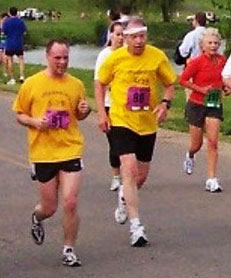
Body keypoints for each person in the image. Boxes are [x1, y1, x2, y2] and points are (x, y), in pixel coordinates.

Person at [95, 16, 176, 247]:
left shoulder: (157, 56)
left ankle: (124, 196)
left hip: (147, 122)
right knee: (128, 169)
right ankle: (136, 226)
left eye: (142, 36)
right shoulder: (115, 58)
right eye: (134, 37)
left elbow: (170, 84)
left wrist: (164, 104)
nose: (139, 41)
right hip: (121, 120)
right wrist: (102, 113)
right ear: (126, 39)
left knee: (139, 177)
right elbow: (100, 84)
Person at [12, 39, 91, 267]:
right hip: (43, 152)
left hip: (70, 148)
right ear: (48, 57)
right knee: (49, 207)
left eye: (66, 57)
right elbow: (19, 114)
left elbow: (78, 114)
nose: (62, 62)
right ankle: (37, 218)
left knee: (70, 202)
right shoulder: (32, 83)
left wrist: (84, 111)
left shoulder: (76, 84)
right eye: (58, 58)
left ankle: (68, 249)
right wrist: (36, 122)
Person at [179, 28, 226, 192]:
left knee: (213, 141)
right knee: (196, 144)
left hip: (214, 104)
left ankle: (211, 179)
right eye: (210, 43)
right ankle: (190, 155)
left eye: (216, 43)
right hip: (196, 104)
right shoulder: (197, 62)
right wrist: (199, 89)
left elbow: (225, 78)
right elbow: (182, 80)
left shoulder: (223, 61)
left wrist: (227, 88)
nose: (213, 46)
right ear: (203, 45)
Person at [94, 21, 124, 191]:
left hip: (126, 106)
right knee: (115, 142)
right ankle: (116, 176)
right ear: (111, 35)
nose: (120, 38)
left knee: (127, 141)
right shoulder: (105, 55)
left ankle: (127, 175)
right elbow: (99, 82)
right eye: (118, 34)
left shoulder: (129, 55)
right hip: (109, 104)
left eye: (123, 35)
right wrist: (101, 113)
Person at [2, 6, 27, 85]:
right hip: (18, 43)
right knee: (21, 59)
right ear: (17, 12)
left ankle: (12, 78)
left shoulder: (6, 22)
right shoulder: (20, 21)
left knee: (10, 60)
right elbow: (24, 32)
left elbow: (4, 33)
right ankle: (22, 76)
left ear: (9, 12)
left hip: (9, 43)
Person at [0, 12, 9, 77]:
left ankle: (5, 72)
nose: (6, 20)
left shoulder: (7, 25)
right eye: (5, 19)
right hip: (1, 42)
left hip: (5, 43)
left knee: (5, 59)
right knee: (1, 59)